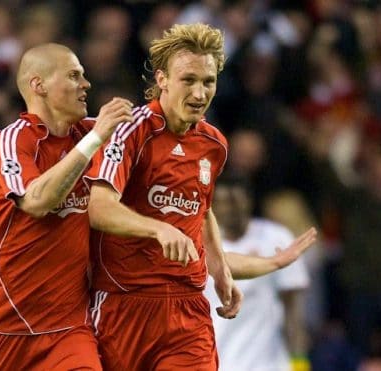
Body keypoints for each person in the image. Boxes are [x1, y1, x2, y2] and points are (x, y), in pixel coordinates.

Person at [85, 23, 315, 370]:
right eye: (188, 80)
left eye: (208, 81)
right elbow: (99, 208)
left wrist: (220, 268)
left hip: (187, 308)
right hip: (124, 304)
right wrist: (158, 229)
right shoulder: (132, 131)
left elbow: (201, 209)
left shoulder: (214, 145)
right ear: (162, 79)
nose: (200, 92)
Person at [0, 43, 133, 370]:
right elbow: (36, 201)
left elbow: (149, 126)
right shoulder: (11, 141)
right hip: (3, 322)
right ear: (39, 85)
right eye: (73, 75)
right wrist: (95, 140)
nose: (86, 84)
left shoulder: (89, 132)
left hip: (68, 328)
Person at [205, 175, 311, 371]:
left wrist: (299, 361)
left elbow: (293, 311)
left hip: (269, 364)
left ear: (249, 201)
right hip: (217, 363)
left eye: (235, 200)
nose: (230, 209)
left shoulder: (276, 237)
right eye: (222, 202)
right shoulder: (201, 246)